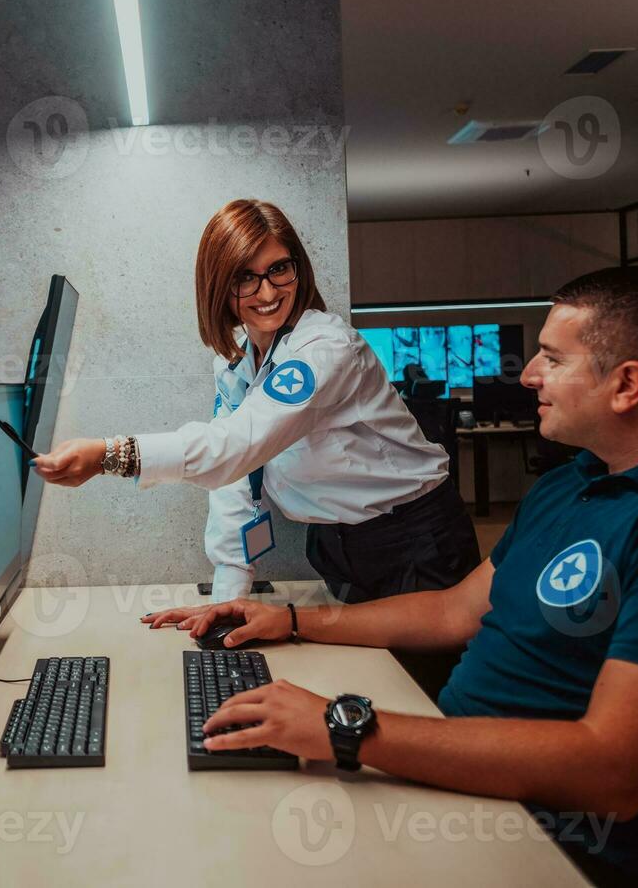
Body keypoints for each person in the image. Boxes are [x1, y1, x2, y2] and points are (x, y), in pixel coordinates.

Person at [141, 267, 638, 886]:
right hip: (470, 783)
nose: (528, 374)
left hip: (552, 844)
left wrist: (346, 728)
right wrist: (293, 621)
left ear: (627, 385)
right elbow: (453, 611)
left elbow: (611, 769)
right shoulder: (576, 482)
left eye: (553, 360)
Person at [33, 199, 480, 690]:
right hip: (338, 547)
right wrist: (229, 598)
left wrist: (110, 454)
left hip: (414, 543)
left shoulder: (324, 348)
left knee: (425, 700)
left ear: (298, 268)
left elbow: (233, 447)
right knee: (376, 689)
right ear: (219, 287)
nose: (267, 292)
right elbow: (237, 483)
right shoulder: (235, 361)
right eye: (245, 277)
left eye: (278, 270)